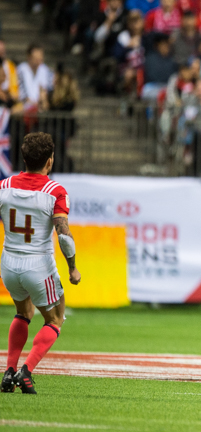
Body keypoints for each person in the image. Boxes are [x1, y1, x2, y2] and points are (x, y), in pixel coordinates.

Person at [0, 132, 81, 394]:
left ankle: (9, 370)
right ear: (49, 161)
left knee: (23, 313)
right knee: (55, 319)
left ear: (23, 158)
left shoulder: (4, 186)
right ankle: (26, 371)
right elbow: (64, 235)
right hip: (39, 265)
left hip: (9, 263)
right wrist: (72, 267)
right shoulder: (54, 190)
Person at [16, 44, 54, 111]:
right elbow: (19, 91)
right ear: (29, 57)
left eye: (40, 59)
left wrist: (44, 99)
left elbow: (50, 88)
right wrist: (30, 102)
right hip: (24, 108)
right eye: (36, 59)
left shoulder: (46, 70)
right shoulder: (20, 70)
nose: (38, 61)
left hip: (41, 108)